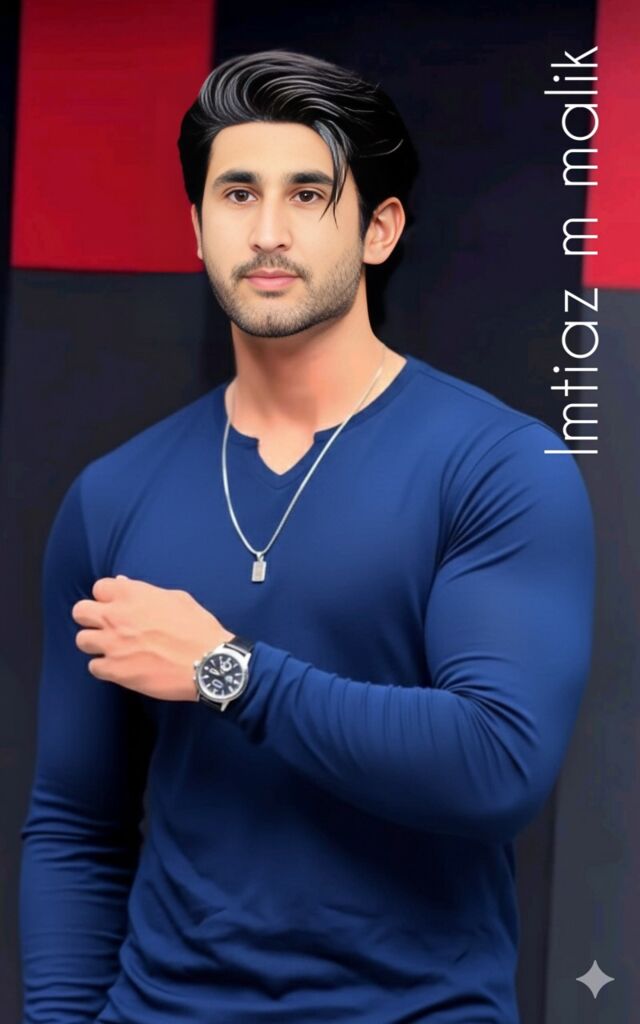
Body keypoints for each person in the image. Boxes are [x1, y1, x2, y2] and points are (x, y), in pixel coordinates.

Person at [19, 49, 596, 1024]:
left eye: (308, 194)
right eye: (238, 193)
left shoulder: (499, 465)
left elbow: (497, 762)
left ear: (378, 229)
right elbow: (77, 825)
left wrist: (226, 671)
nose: (268, 231)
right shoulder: (112, 494)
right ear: (197, 226)